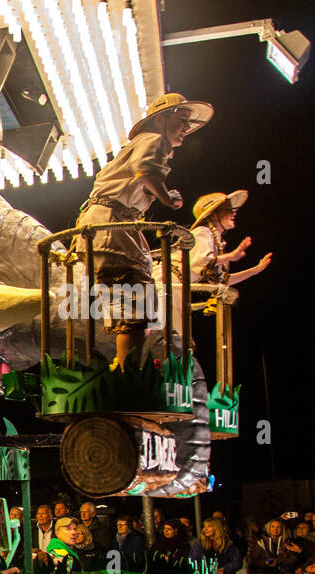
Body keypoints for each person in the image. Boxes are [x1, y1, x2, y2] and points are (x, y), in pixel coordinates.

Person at [73, 92, 211, 370]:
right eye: (181, 119)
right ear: (161, 120)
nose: (186, 128)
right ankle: (128, 372)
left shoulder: (140, 144)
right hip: (112, 226)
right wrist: (167, 199)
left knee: (131, 301)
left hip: (107, 225)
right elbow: (145, 172)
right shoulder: (153, 139)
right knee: (134, 300)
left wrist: (162, 191)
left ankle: (124, 367)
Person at [186, 190, 272, 287]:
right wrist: (231, 256)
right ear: (213, 215)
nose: (234, 213)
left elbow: (221, 281)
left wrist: (255, 270)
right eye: (228, 209)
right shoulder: (202, 232)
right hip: (171, 290)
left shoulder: (215, 241)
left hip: (178, 294)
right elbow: (204, 261)